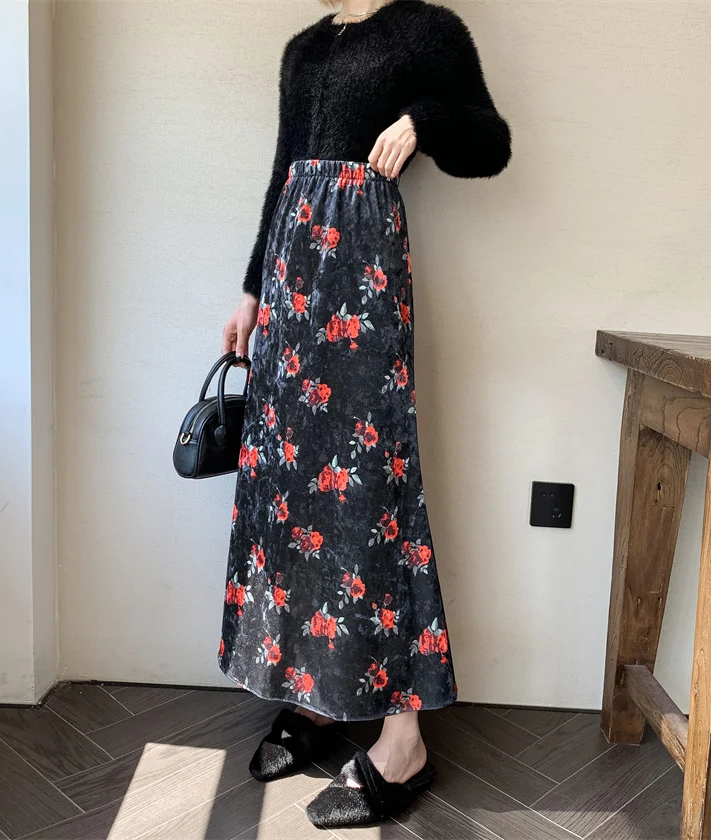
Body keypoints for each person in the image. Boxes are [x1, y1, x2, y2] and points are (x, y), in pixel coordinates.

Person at [219, 0, 511, 827]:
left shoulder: (426, 30)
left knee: (372, 490)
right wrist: (252, 291)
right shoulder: (304, 47)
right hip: (292, 281)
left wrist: (423, 121)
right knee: (294, 494)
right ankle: (316, 697)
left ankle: (403, 737)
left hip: (362, 278)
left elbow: (491, 144)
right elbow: (282, 173)